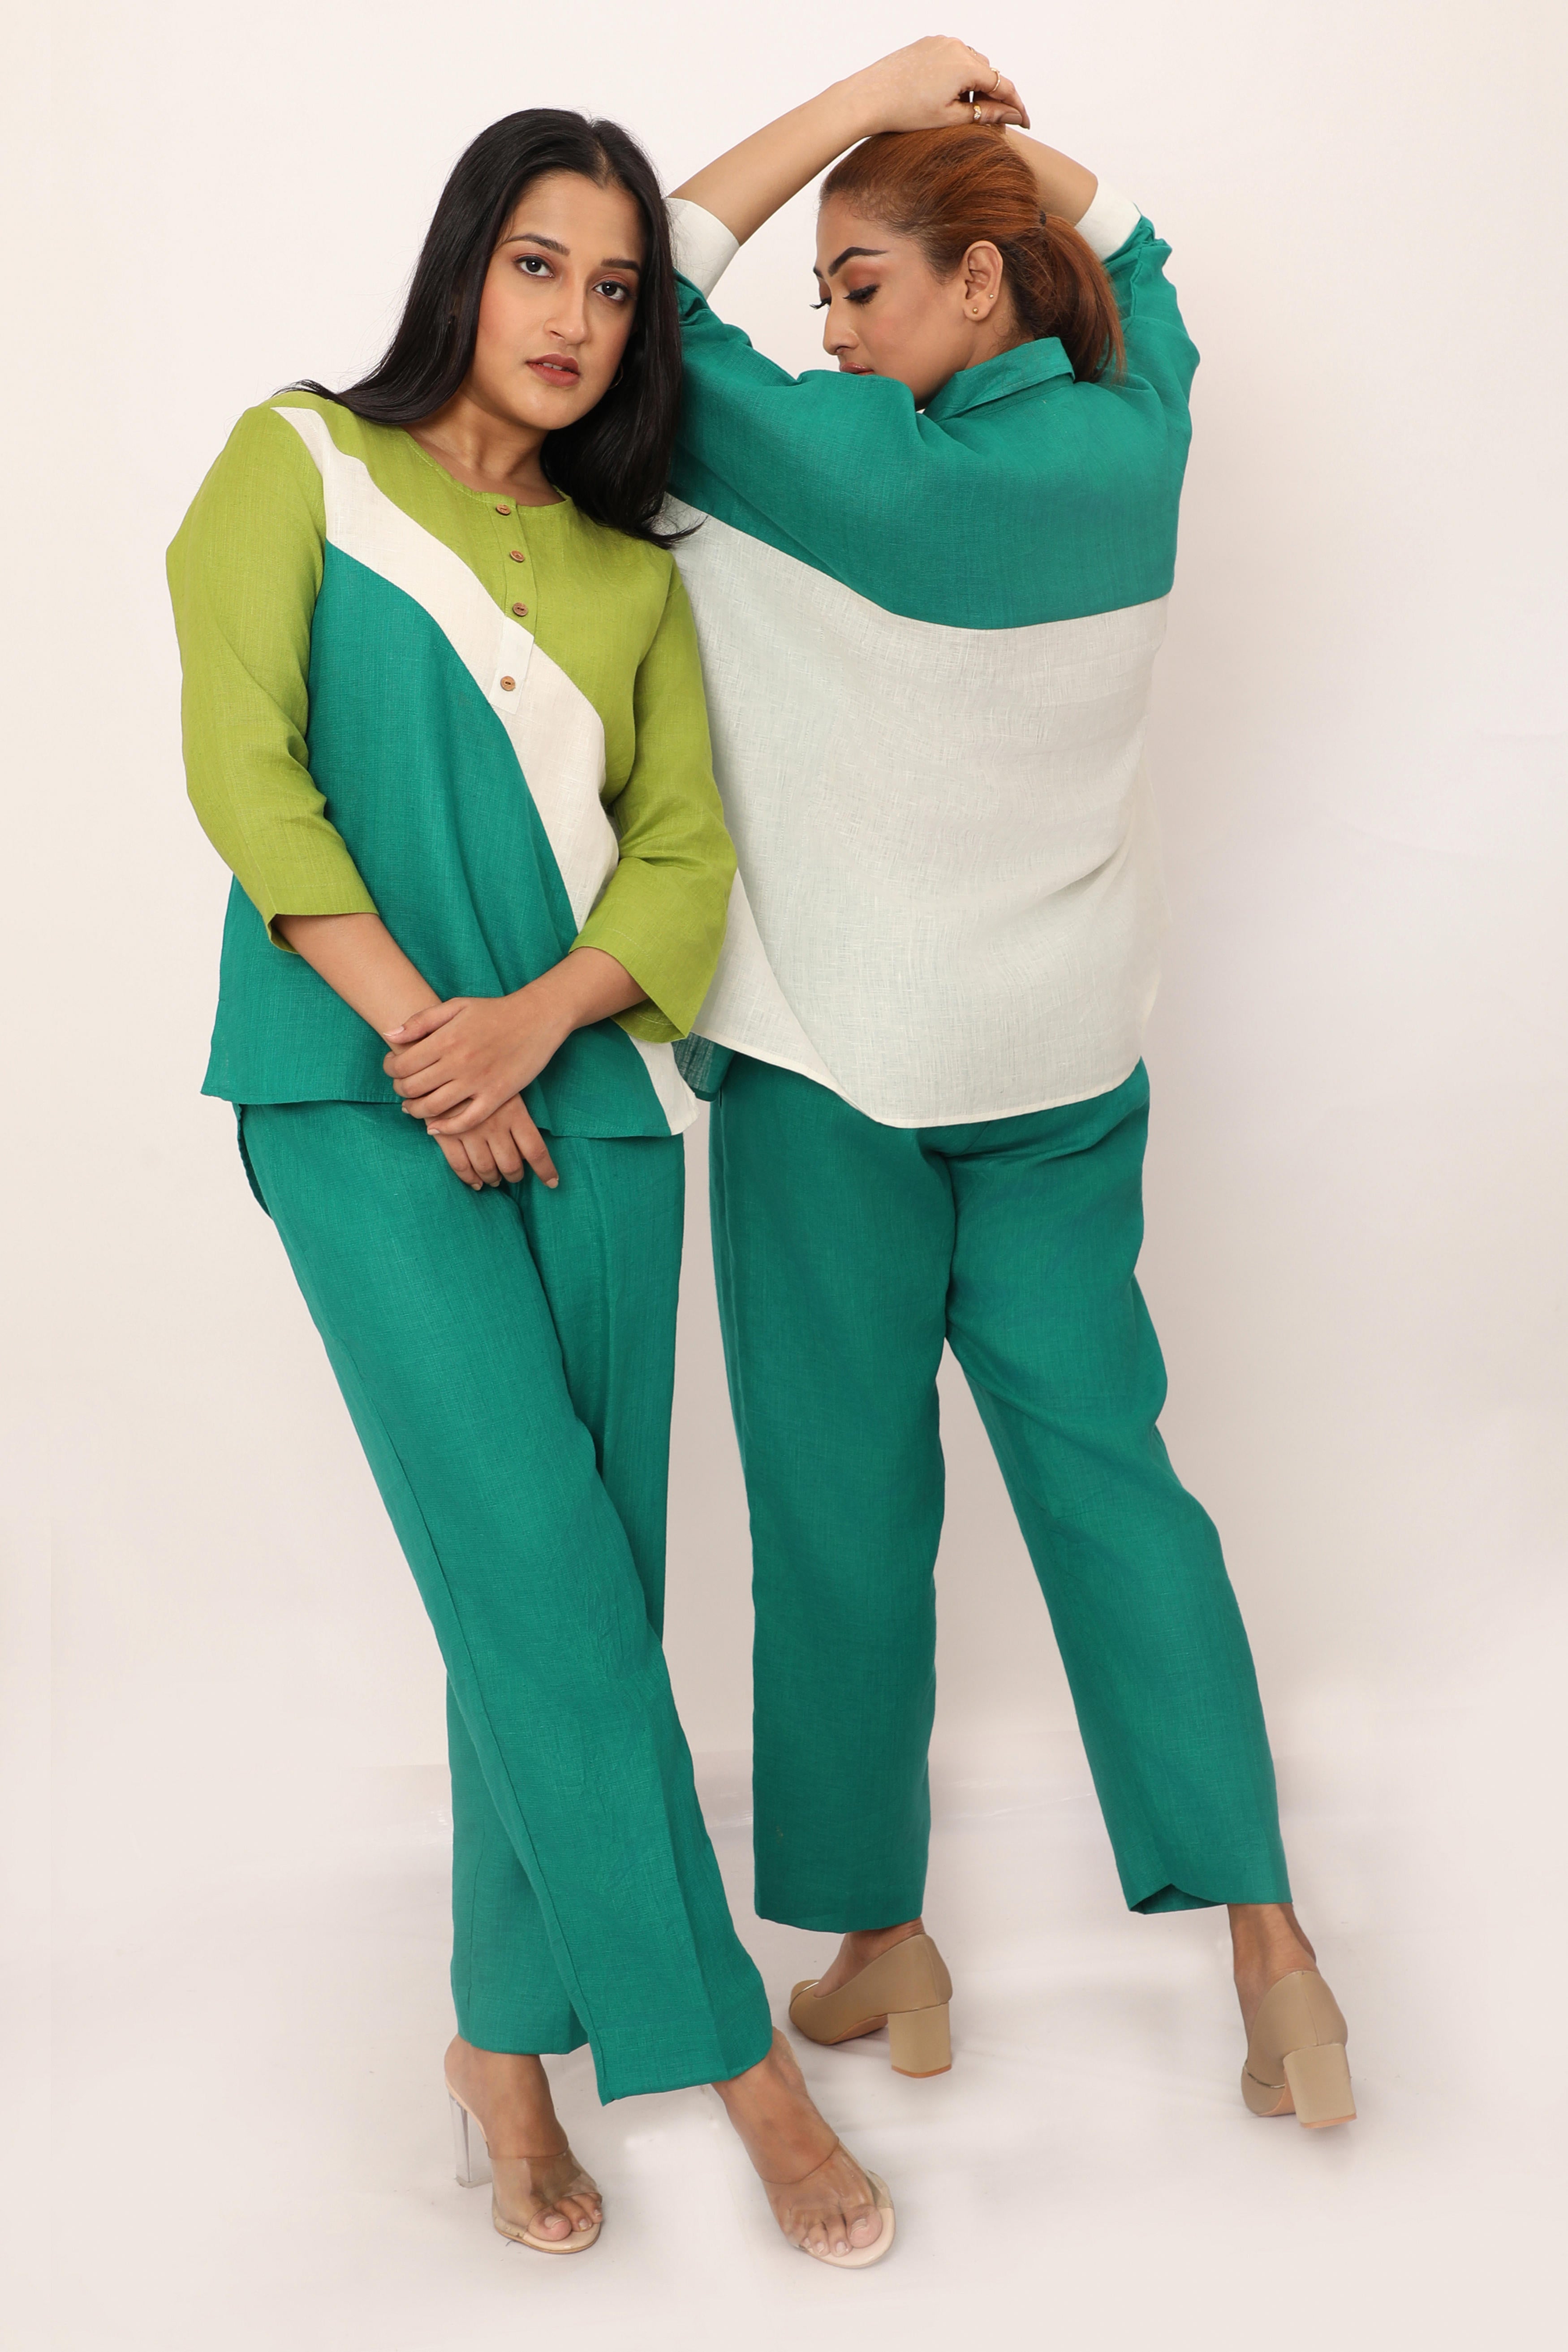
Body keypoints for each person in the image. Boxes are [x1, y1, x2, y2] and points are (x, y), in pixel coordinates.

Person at [167, 108, 894, 2265]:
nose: (575, 316)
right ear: (462, 265)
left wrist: (534, 1023)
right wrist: (430, 1032)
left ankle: (498, 2046)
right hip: (349, 1094)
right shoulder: (294, 459)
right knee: (544, 1582)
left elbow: (682, 854)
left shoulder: (632, 572)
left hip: (593, 1111)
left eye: (615, 285)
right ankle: (739, 2064)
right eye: (538, 264)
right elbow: (244, 769)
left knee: (570, 1596)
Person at [661, 39, 1356, 2130]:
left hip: (837, 1069)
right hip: (1062, 1063)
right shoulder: (1137, 437)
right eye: (823, 295)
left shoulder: (848, 466)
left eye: (861, 283)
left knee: (842, 1508)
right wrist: (996, 156)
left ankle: (883, 1935)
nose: (827, 328)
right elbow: (1142, 269)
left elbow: (653, 280)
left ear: (978, 285)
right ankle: (1275, 1955)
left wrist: (866, 97)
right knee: (1112, 1479)